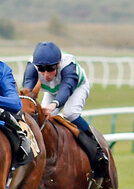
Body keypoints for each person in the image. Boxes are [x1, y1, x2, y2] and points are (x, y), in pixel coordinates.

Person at [22, 42, 108, 179]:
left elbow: (66, 88)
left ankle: (97, 149)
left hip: (76, 87)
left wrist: (55, 104)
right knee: (44, 119)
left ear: (58, 64)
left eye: (50, 69)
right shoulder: (32, 66)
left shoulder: (68, 66)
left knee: (70, 113)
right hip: (52, 90)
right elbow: (27, 92)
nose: (46, 75)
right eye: (41, 70)